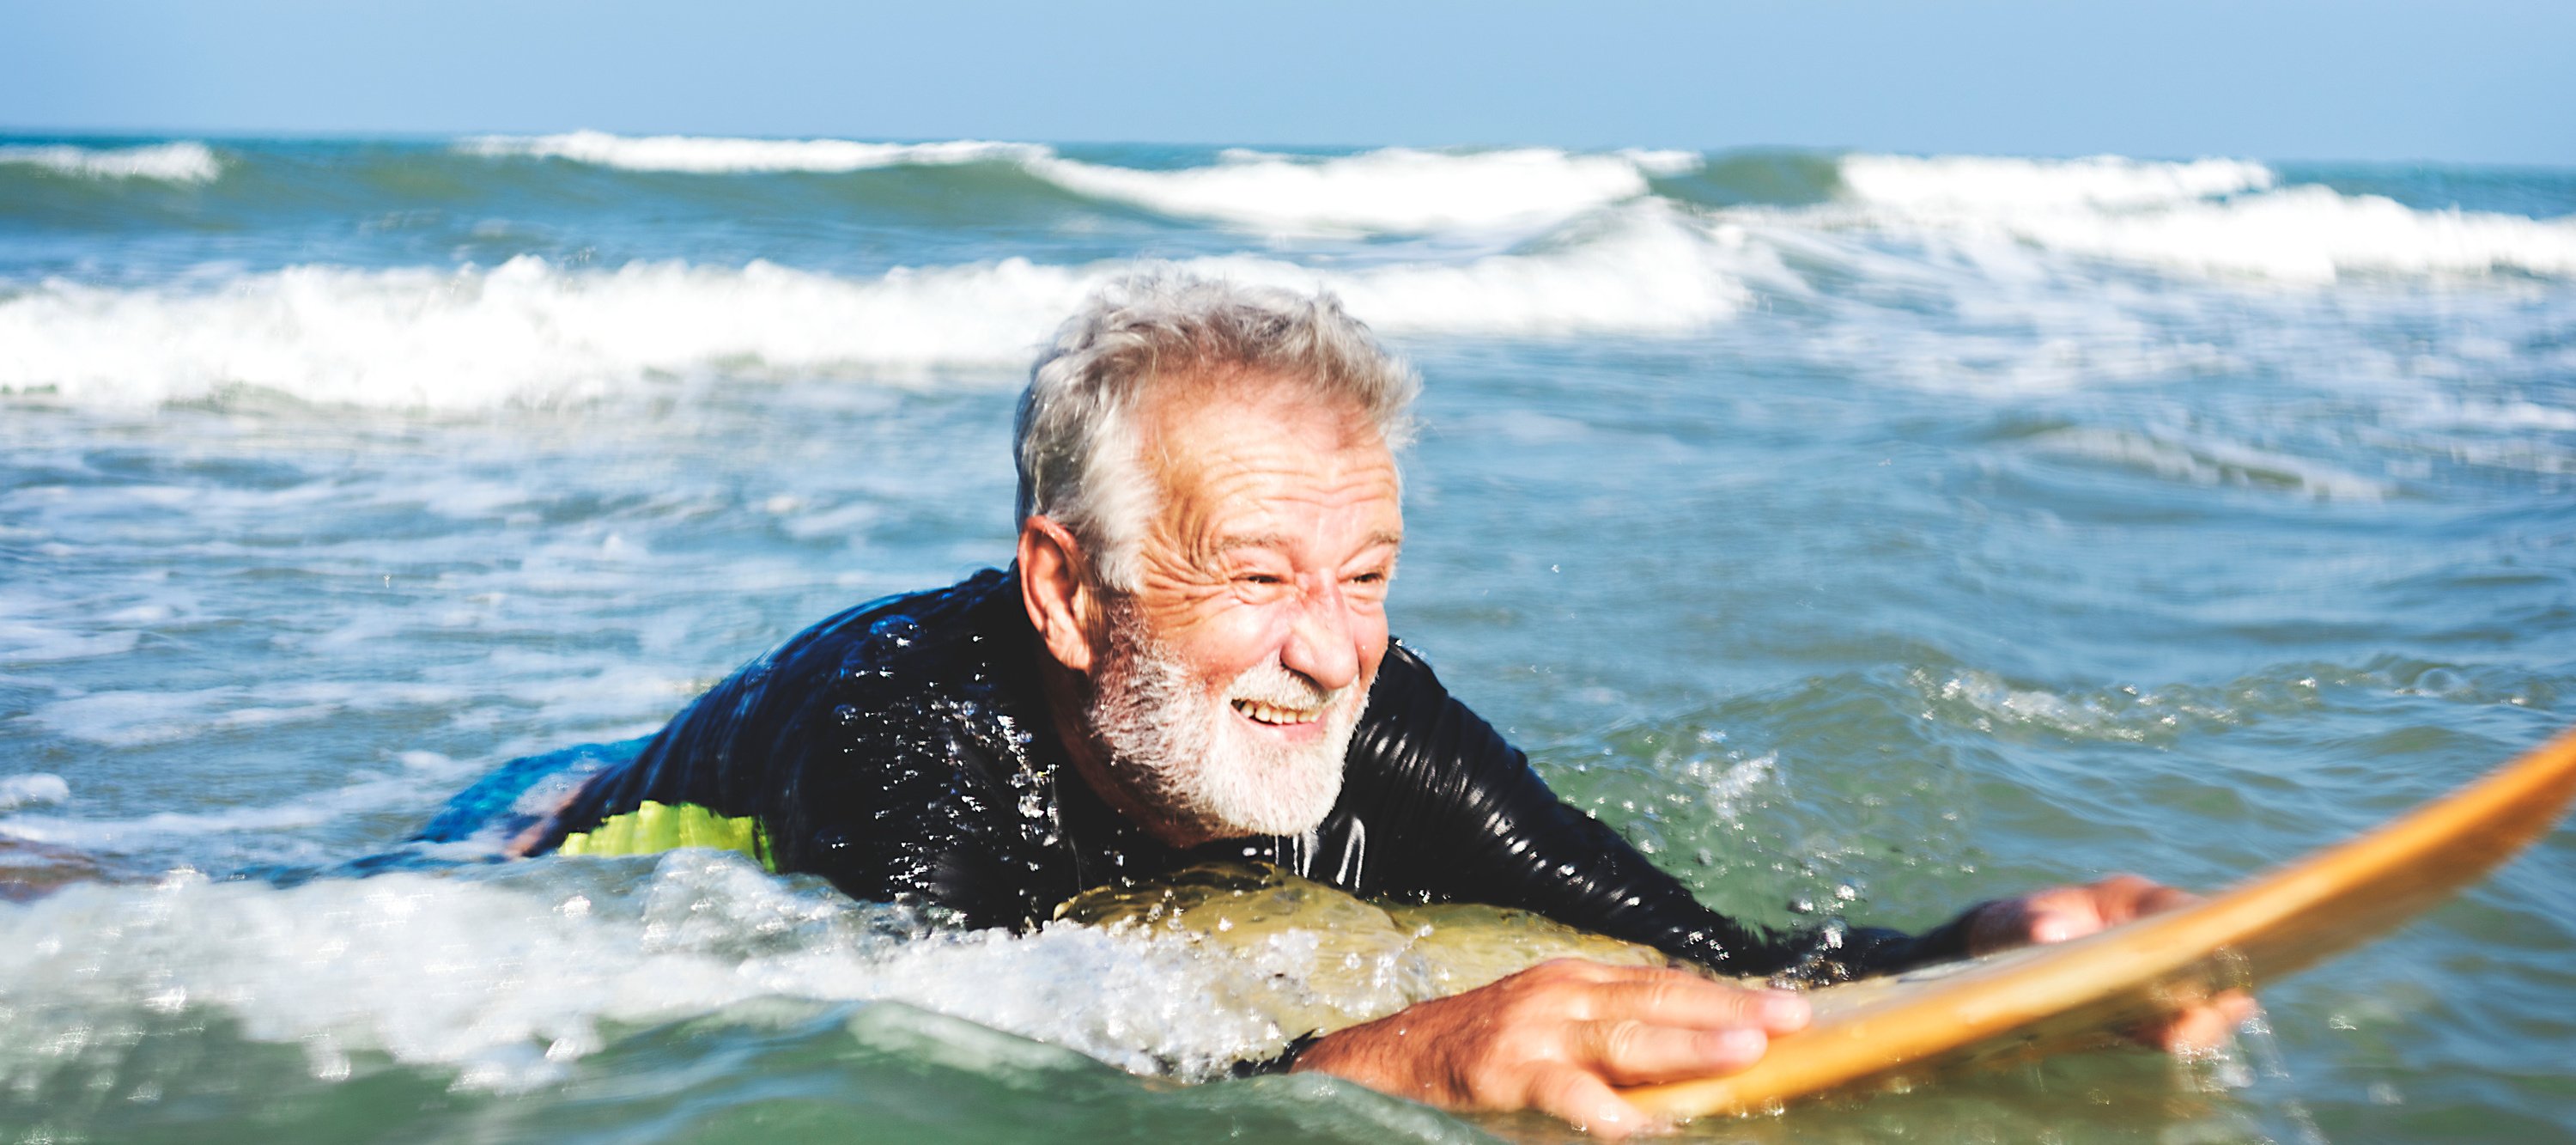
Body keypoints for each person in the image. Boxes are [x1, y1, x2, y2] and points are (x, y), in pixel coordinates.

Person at [422, 274, 2248, 1136]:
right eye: (1257, 576)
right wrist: (1398, 1056)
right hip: (553, 838)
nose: (1328, 650)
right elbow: (973, 1083)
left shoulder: (1370, 712)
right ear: (1069, 589)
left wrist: (1971, 954)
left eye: (1363, 574)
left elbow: (1690, 944)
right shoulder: (910, 736)